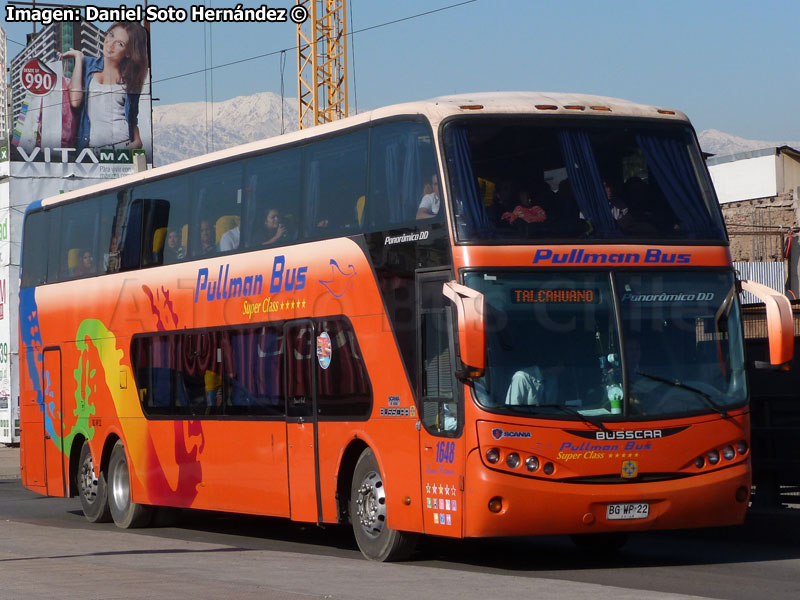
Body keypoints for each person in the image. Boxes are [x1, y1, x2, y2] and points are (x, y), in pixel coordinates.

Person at [61, 22, 149, 150]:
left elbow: (132, 116)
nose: (110, 44)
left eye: (120, 43)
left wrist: (137, 141)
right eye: (111, 35)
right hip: (90, 147)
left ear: (128, 53)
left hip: (122, 146)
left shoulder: (131, 79)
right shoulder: (87, 64)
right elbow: (75, 102)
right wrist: (79, 59)